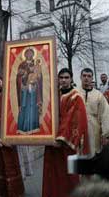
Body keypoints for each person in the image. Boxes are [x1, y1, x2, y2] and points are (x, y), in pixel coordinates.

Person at [42, 68, 89, 197]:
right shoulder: (53, 96)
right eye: (61, 77)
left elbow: (73, 120)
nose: (63, 80)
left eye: (66, 77)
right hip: (51, 142)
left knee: (68, 175)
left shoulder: (76, 97)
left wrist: (61, 138)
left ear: (71, 79)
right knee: (52, 173)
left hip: (66, 143)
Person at [79, 68, 109, 155]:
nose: (86, 78)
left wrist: (106, 135)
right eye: (84, 76)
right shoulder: (75, 93)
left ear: (92, 78)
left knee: (94, 156)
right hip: (78, 131)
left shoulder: (99, 95)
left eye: (89, 76)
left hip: (94, 131)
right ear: (80, 77)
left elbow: (105, 115)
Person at [16, 47, 43, 133]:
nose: (29, 55)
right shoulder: (22, 65)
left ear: (33, 55)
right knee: (24, 107)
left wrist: (36, 78)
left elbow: (40, 77)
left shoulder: (36, 65)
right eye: (27, 53)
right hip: (24, 90)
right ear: (25, 55)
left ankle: (33, 127)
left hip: (33, 90)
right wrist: (24, 75)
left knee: (33, 106)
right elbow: (19, 78)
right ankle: (22, 128)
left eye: (31, 53)